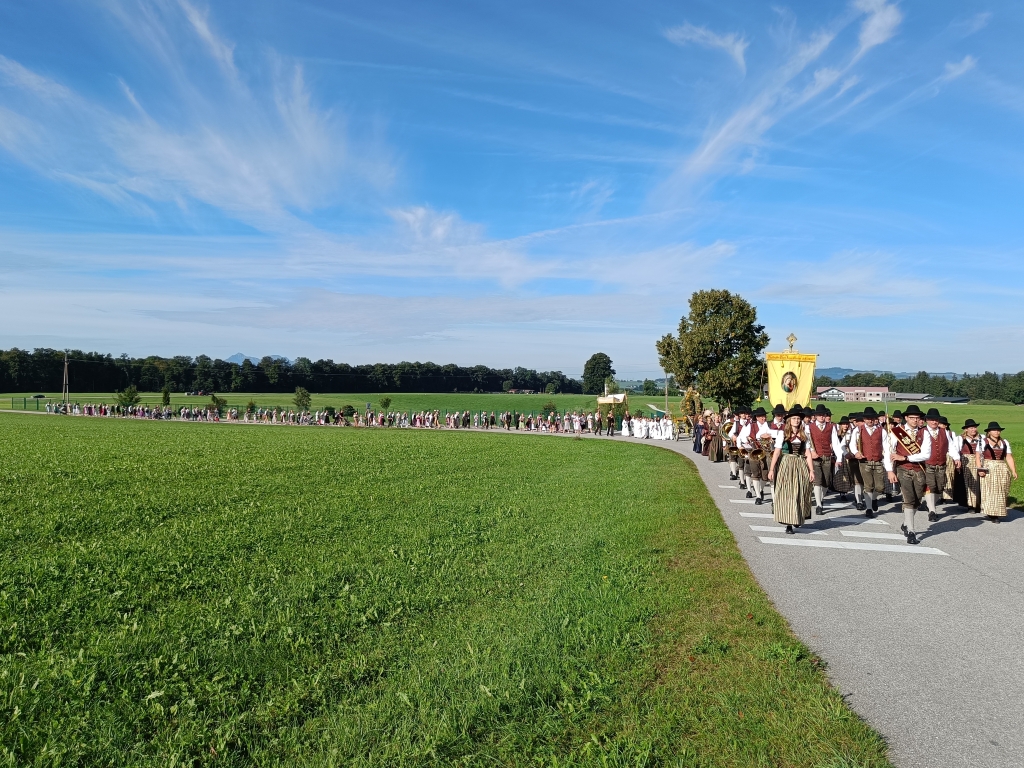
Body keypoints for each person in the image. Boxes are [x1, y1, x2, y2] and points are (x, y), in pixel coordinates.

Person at [885, 404, 932, 545]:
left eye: (917, 418)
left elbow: (926, 454)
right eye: (912, 418)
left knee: (917, 500)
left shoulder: (924, 433)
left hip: (919, 469)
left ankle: (906, 523)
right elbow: (888, 452)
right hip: (903, 469)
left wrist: (906, 457)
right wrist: (889, 470)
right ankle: (911, 532)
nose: (915, 420)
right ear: (906, 418)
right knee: (909, 499)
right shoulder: (896, 432)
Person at [768, 406, 814, 534]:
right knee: (788, 493)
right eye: (794, 418)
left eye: (798, 418)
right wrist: (771, 469)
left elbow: (808, 454)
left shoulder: (804, 435)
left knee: (801, 491)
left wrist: (811, 470)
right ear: (789, 420)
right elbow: (777, 452)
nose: (796, 420)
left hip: (800, 464)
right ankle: (788, 524)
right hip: (786, 463)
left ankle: (798, 516)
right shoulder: (782, 434)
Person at [850, 406, 890, 517]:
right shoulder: (858, 430)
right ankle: (868, 508)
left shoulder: (881, 431)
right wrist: (856, 452)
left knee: (880, 487)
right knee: (868, 486)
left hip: (878, 461)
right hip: (864, 462)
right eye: (867, 418)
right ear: (864, 419)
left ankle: (874, 498)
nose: (870, 421)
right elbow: (852, 443)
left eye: (872, 418)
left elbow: (886, 447)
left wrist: (887, 463)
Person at [923, 409, 959, 522]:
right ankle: (932, 511)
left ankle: (930, 505)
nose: (934, 422)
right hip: (927, 463)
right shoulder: (922, 432)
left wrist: (956, 458)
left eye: (936, 420)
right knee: (930, 486)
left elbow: (951, 446)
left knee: (939, 487)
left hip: (941, 464)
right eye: (931, 419)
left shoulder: (944, 432)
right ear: (927, 420)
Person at [807, 404, 844, 516]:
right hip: (815, 457)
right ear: (815, 416)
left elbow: (835, 443)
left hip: (827, 456)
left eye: (823, 415)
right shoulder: (809, 427)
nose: (822, 417)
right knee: (817, 481)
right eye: (819, 415)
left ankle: (821, 498)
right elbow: (807, 441)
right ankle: (819, 505)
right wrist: (811, 451)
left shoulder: (831, 427)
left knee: (826, 482)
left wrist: (839, 458)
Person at [978, 422, 1018, 522]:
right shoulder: (983, 442)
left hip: (1002, 467)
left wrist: (1013, 470)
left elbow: (1008, 457)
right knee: (991, 491)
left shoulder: (1004, 442)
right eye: (994, 430)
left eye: (998, 430)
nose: (997, 432)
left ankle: (998, 511)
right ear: (989, 432)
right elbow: (978, 456)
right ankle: (992, 514)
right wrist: (980, 469)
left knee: (1002, 490)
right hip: (989, 467)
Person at [957, 419, 982, 511]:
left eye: (975, 427)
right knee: (969, 483)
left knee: (980, 483)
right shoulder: (961, 439)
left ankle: (979, 503)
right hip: (966, 462)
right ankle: (970, 504)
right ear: (966, 429)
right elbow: (957, 451)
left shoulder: (981, 438)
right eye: (971, 428)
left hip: (979, 461)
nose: (973, 429)